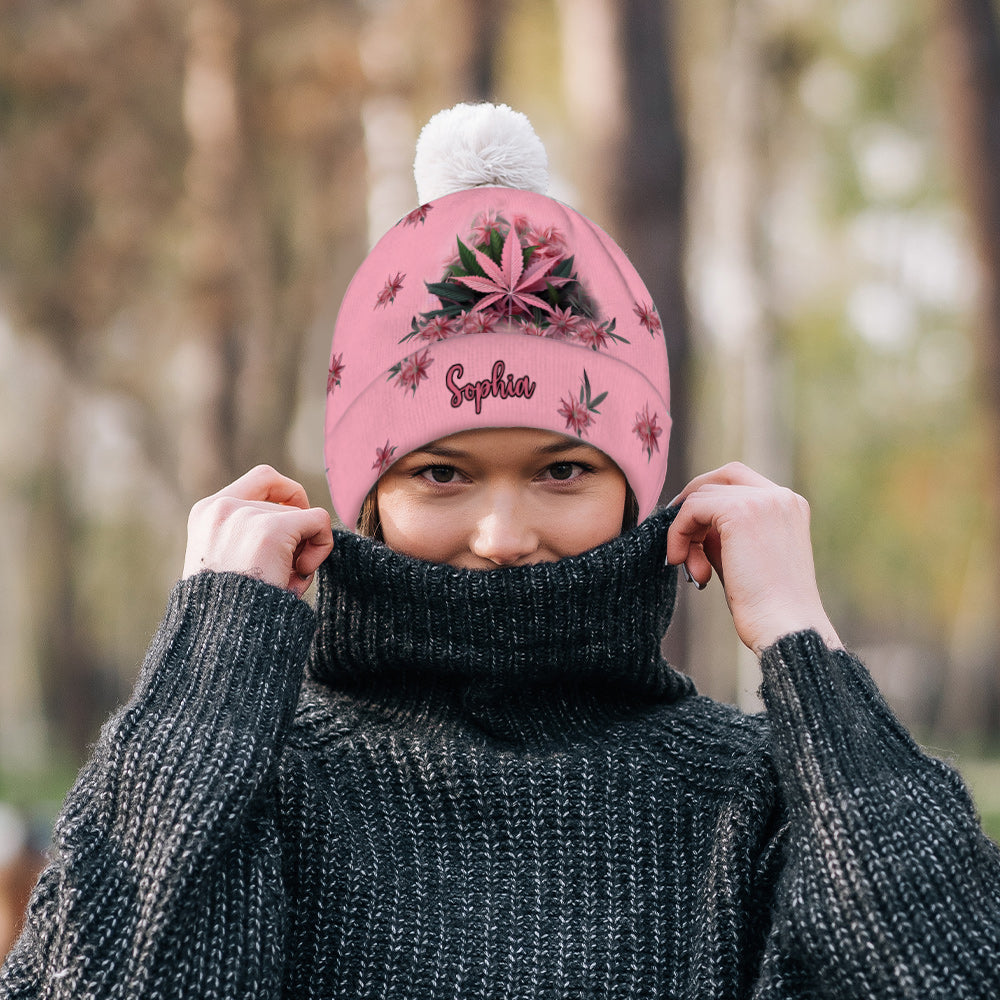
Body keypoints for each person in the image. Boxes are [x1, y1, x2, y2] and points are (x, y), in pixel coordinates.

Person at [2, 102, 998, 1000]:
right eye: (441, 473)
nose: (504, 533)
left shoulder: (749, 798)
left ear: (634, 488)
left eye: (562, 469)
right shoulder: (260, 784)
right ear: (369, 498)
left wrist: (803, 646)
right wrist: (201, 687)